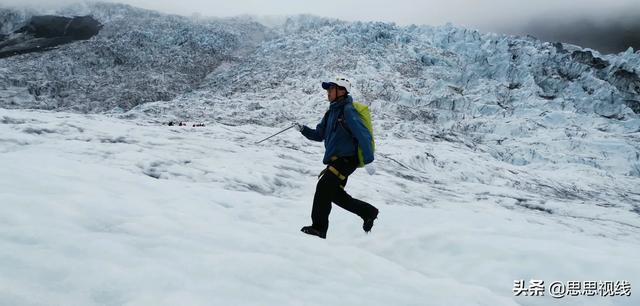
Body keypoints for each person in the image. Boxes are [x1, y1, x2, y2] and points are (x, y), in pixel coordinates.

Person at [294, 76, 378, 239]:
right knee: (334, 194)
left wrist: (369, 160)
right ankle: (368, 212)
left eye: (331, 89)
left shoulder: (348, 111)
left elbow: (364, 135)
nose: (328, 93)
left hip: (346, 160)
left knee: (323, 187)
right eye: (328, 90)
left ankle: (319, 228)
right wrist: (303, 129)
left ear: (341, 91)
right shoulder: (330, 113)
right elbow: (319, 135)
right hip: (337, 161)